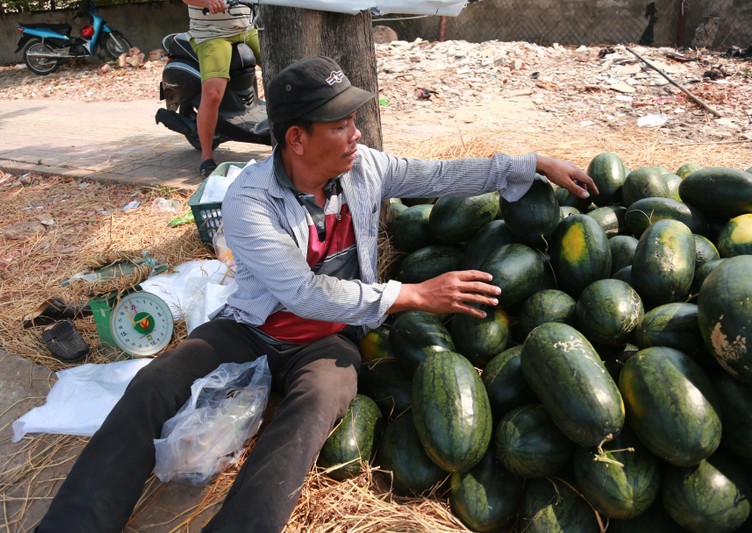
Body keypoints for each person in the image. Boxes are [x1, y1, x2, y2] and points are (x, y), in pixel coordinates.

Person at [36, 56, 597, 533]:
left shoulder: (366, 168)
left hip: (327, 341)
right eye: (341, 124)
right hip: (248, 326)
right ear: (297, 138)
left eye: (354, 121)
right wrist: (411, 294)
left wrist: (528, 164)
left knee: (313, 410)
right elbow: (304, 292)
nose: (357, 134)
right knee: (155, 382)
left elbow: (439, 174)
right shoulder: (250, 201)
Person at [182, 0, 260, 177]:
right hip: (211, 33)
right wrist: (206, 2)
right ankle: (206, 156)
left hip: (247, 28)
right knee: (212, 93)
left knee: (285, 71)